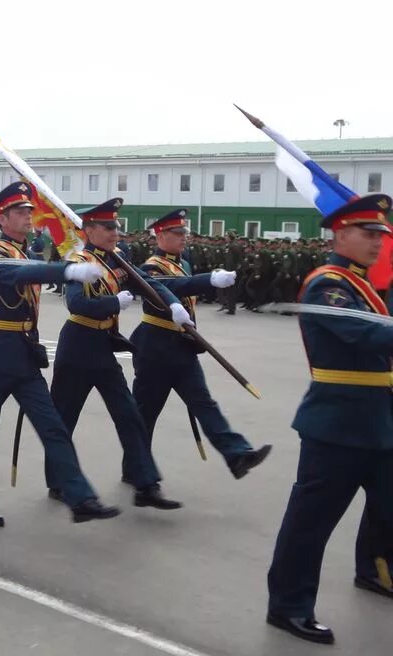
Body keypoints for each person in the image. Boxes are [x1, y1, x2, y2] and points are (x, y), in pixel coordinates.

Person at [266, 194, 393, 645]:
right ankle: (288, 606)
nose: (379, 242)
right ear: (341, 235)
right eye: (370, 234)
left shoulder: (364, 284)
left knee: (386, 507)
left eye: (382, 235)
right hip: (337, 425)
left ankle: (376, 571)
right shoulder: (328, 285)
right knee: (311, 523)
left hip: (379, 419)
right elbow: (369, 335)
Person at [0, 182, 119, 526]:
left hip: (25, 355)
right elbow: (22, 273)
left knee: (53, 427)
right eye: (20, 212)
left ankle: (81, 497)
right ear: (2, 219)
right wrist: (67, 270)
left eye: (30, 211)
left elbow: (30, 267)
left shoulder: (23, 251)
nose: (29, 216)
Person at [49, 198, 185, 510]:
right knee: (64, 419)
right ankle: (59, 482)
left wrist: (173, 303)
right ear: (90, 229)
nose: (115, 232)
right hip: (77, 346)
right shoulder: (78, 260)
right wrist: (114, 303)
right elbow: (76, 304)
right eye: (108, 227)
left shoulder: (117, 259)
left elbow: (148, 282)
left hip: (103, 347)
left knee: (130, 416)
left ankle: (145, 485)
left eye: (116, 226)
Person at [130, 209, 272, 477]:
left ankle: (237, 454)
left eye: (185, 233)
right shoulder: (151, 267)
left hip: (182, 346)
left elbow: (182, 282)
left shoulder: (183, 263)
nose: (184, 238)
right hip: (155, 348)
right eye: (178, 233)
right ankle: (137, 471)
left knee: (204, 403)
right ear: (161, 236)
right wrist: (208, 280)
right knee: (145, 414)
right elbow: (172, 286)